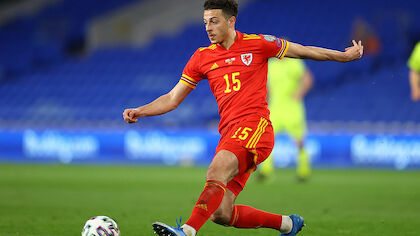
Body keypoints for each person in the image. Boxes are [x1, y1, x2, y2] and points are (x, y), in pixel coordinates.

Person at [123, 1, 363, 235]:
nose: (208, 27)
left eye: (214, 22)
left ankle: (187, 231)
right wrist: (140, 110)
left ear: (231, 21)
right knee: (221, 213)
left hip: (255, 127)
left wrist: (344, 57)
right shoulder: (201, 58)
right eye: (205, 22)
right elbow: (172, 98)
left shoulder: (259, 44)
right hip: (230, 133)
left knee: (216, 170)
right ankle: (287, 224)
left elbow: (304, 50)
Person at [258, 58, 314, 182]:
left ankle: (303, 171)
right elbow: (265, 84)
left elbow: (307, 78)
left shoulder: (294, 63)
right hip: (275, 108)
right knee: (266, 139)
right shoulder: (271, 65)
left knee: (299, 142)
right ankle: (265, 171)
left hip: (292, 108)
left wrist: (299, 93)